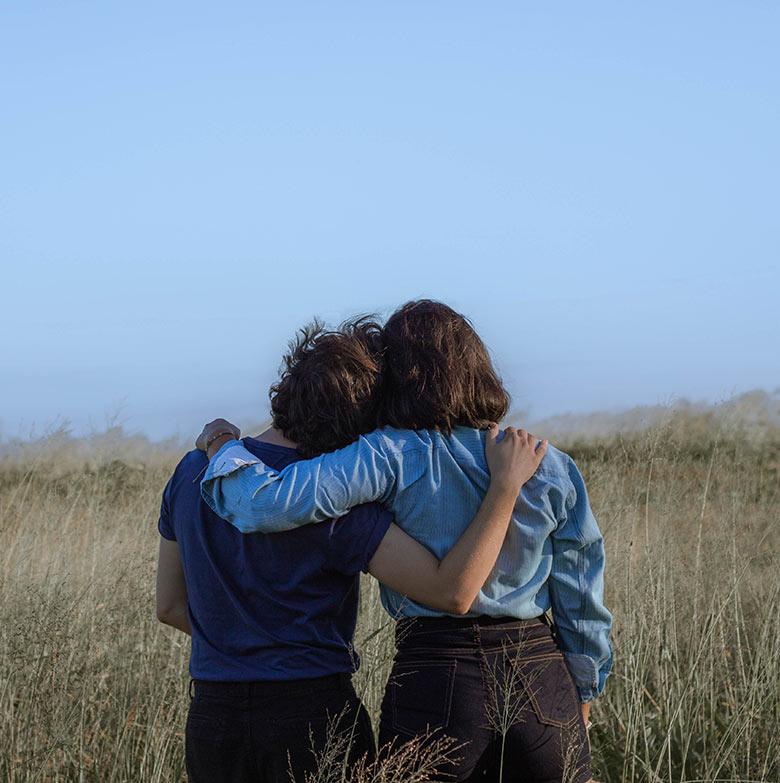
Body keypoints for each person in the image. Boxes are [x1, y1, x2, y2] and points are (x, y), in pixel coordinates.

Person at [197, 300, 613, 783]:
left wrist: (222, 445)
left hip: (437, 672)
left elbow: (265, 504)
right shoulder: (549, 463)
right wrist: (583, 694)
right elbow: (582, 596)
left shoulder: (389, 453)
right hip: (543, 678)